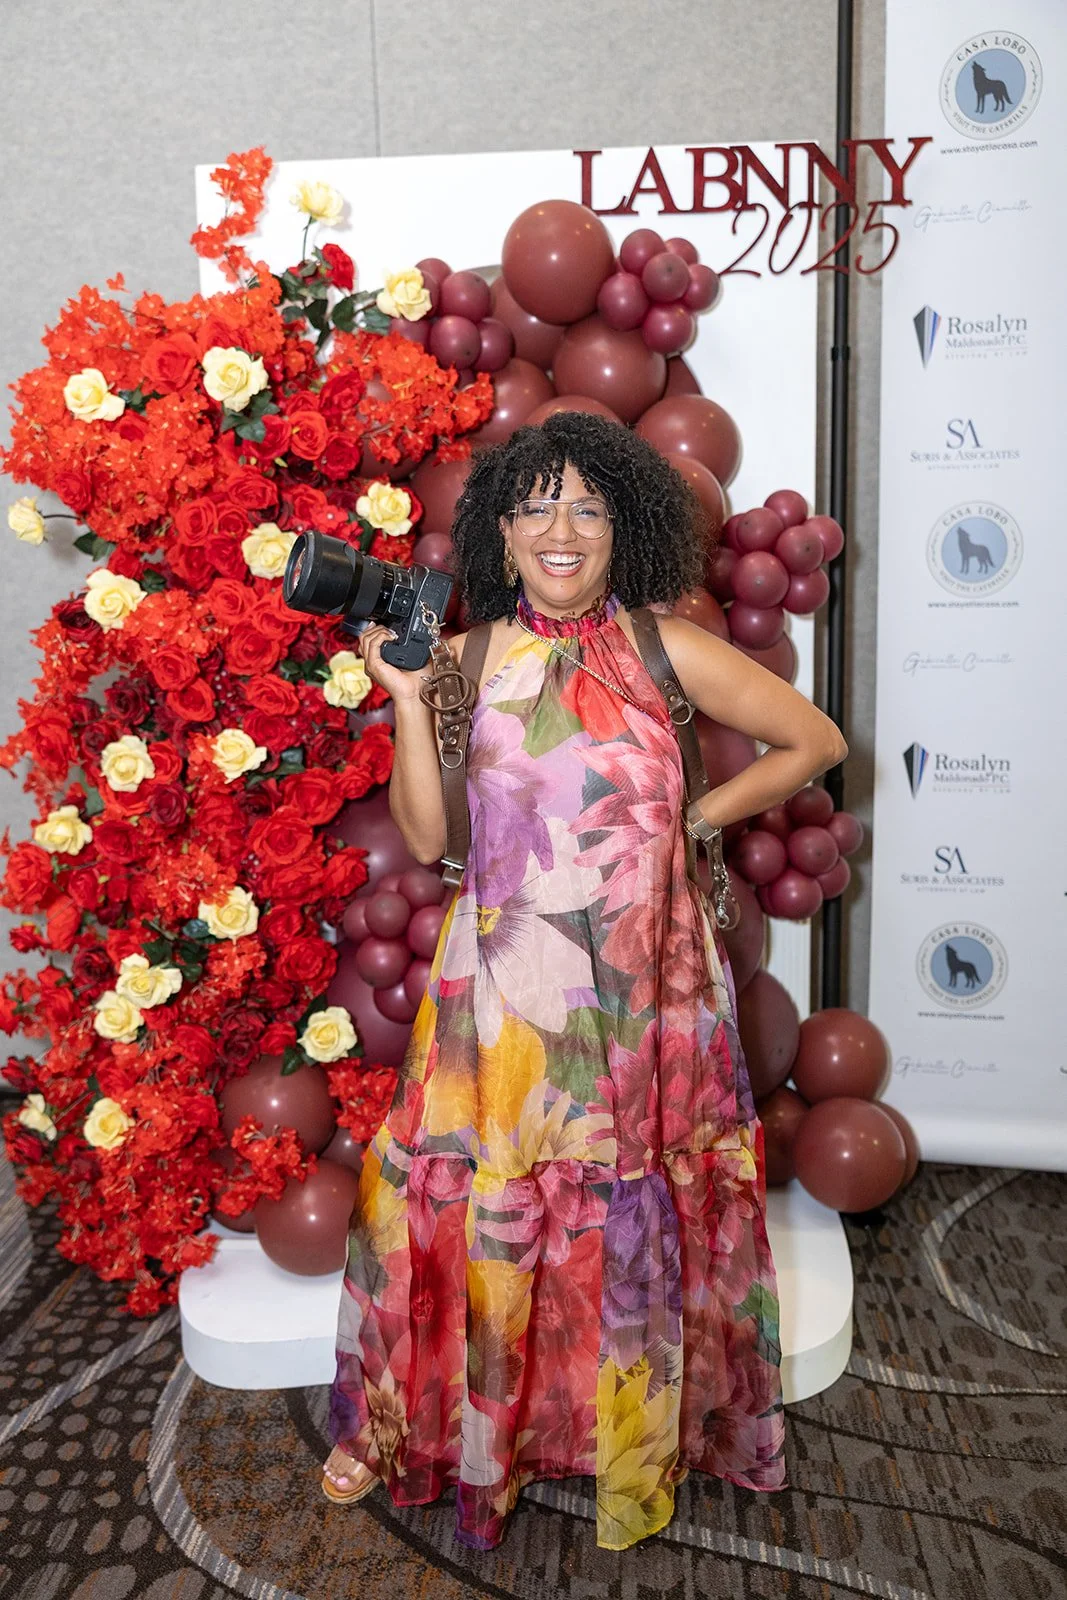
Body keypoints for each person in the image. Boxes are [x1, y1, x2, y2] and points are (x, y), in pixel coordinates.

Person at [322, 411, 847, 1551]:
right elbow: (426, 835)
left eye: (588, 507)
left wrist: (693, 819)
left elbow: (814, 742)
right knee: (490, 1209)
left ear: (623, 528)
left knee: (623, 1207)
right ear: (500, 530)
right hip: (502, 999)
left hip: (646, 993)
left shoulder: (668, 649)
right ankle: (431, 1423)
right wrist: (408, 700)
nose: (560, 528)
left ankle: (613, 1429)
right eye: (536, 505)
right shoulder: (463, 660)